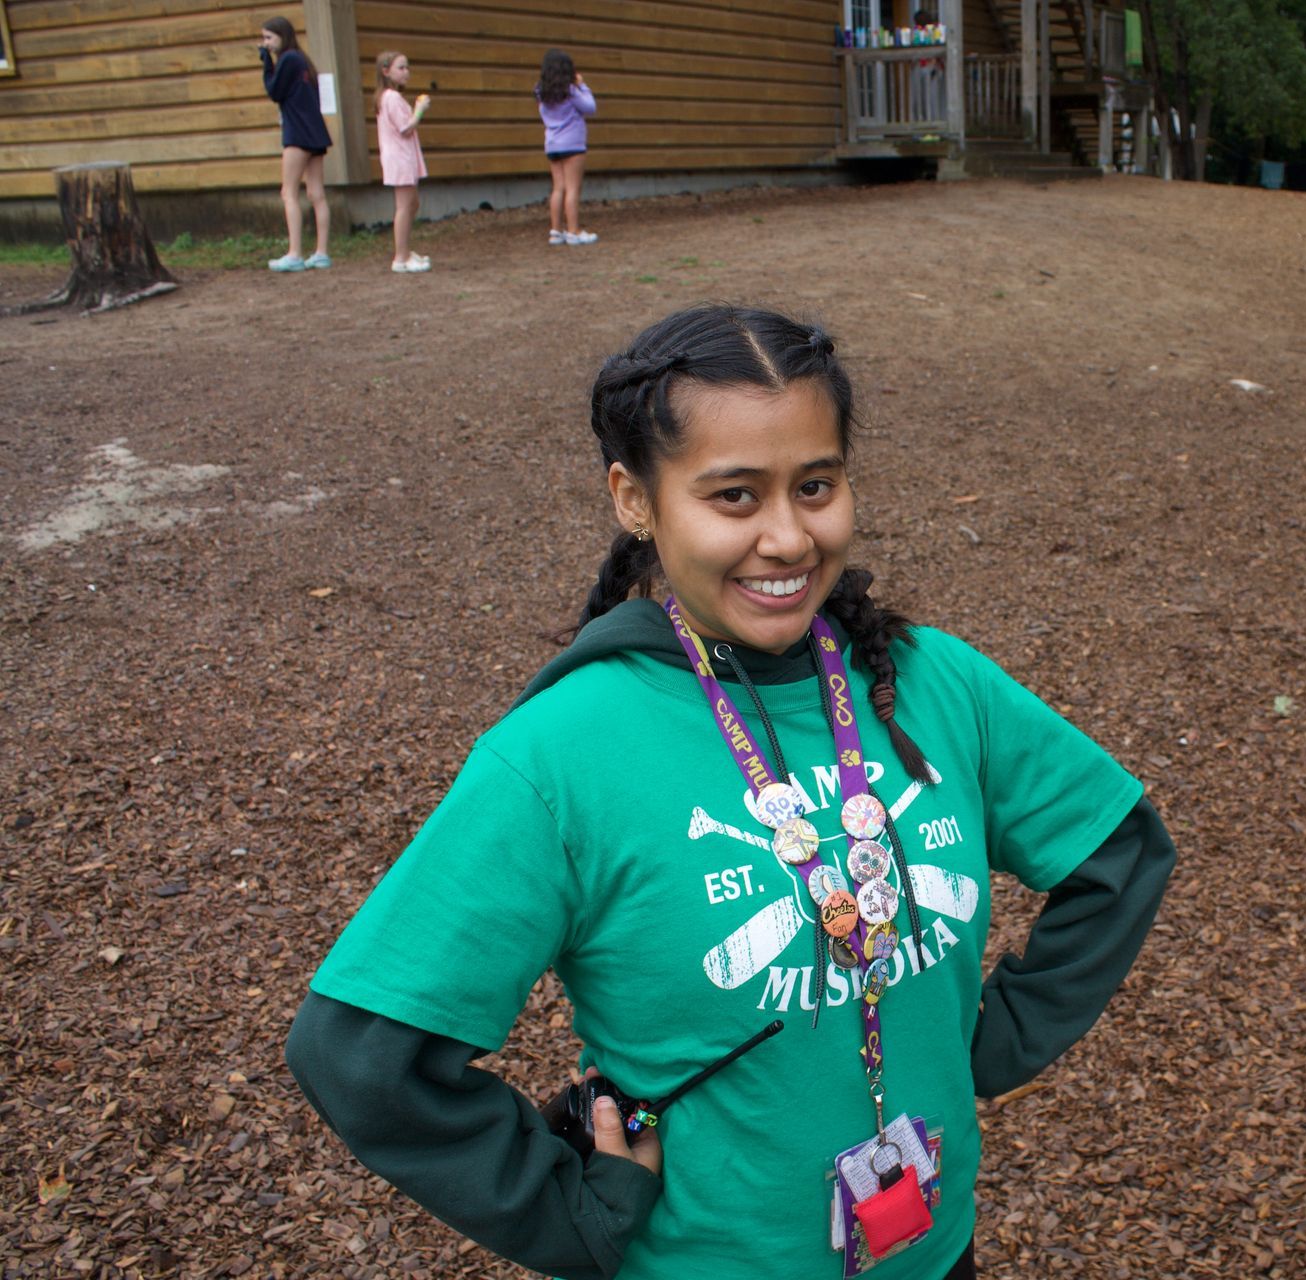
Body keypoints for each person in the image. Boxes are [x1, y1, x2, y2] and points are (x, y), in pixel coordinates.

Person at [285, 304, 1176, 1280]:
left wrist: (988, 1044)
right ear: (636, 499)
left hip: (931, 1250)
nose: (789, 536)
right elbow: (361, 1052)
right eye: (735, 496)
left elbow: (1118, 848)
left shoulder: (932, 684)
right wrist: (569, 1210)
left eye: (817, 485)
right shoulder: (562, 753)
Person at [258, 16, 332, 273]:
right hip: (315, 134)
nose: (265, 44)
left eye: (269, 38)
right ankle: (321, 253)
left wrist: (267, 64)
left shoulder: (288, 59)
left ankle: (295, 253)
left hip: (297, 134)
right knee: (316, 194)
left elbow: (274, 92)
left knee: (288, 192)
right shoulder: (303, 61)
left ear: (282, 36)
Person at [373, 50, 432, 274]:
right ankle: (400, 257)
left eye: (407, 67)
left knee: (412, 203)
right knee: (404, 206)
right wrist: (419, 110)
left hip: (402, 157)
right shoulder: (391, 98)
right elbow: (406, 128)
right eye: (401, 68)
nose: (406, 72)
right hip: (399, 158)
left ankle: (406, 250)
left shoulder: (389, 97)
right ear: (386, 71)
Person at [538, 49, 598, 246]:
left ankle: (555, 231)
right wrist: (583, 86)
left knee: (558, 188)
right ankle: (573, 230)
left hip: (552, 144)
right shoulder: (571, 91)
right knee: (573, 188)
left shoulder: (542, 92)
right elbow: (590, 107)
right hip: (572, 143)